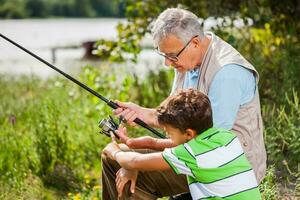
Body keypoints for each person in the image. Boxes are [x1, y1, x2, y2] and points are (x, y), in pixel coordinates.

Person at [101, 7, 267, 199]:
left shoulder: (227, 73)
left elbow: (203, 142)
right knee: (117, 160)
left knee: (122, 161)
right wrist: (142, 113)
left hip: (226, 169)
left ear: (195, 42)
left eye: (171, 56)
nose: (168, 64)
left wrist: (135, 163)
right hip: (196, 152)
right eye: (164, 56)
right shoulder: (185, 58)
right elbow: (176, 119)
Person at [103, 89, 262, 200]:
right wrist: (132, 143)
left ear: (188, 134)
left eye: (170, 132)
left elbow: (134, 162)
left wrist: (114, 151)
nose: (166, 134)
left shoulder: (190, 155)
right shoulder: (224, 137)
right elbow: (160, 142)